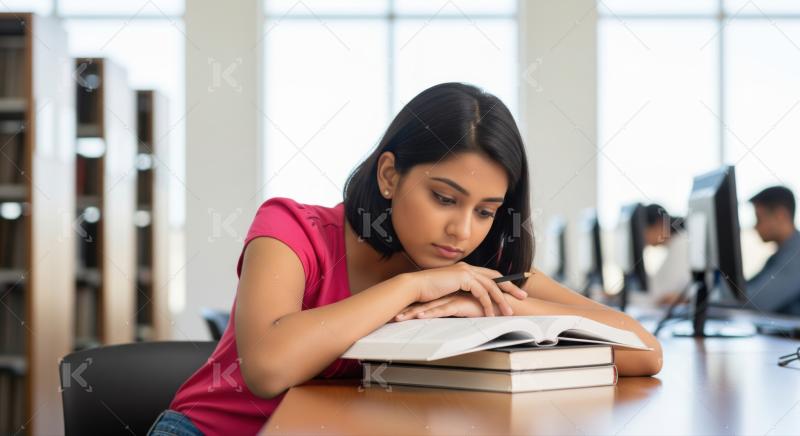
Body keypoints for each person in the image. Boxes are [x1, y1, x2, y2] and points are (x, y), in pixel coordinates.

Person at [147, 83, 663, 436]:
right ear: (390, 175)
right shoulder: (293, 230)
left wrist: (493, 311)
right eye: (443, 198)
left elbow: (644, 352)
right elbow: (267, 368)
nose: (462, 231)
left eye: (485, 211)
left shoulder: (480, 273)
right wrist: (411, 288)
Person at [744, 186, 800, 315]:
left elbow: (755, 303)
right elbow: (745, 290)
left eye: (759, 218)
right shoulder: (780, 256)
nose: (755, 226)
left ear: (781, 215)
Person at [641, 204, 691, 307]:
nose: (643, 239)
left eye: (644, 231)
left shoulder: (681, 244)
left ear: (659, 225)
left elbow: (661, 295)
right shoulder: (673, 246)